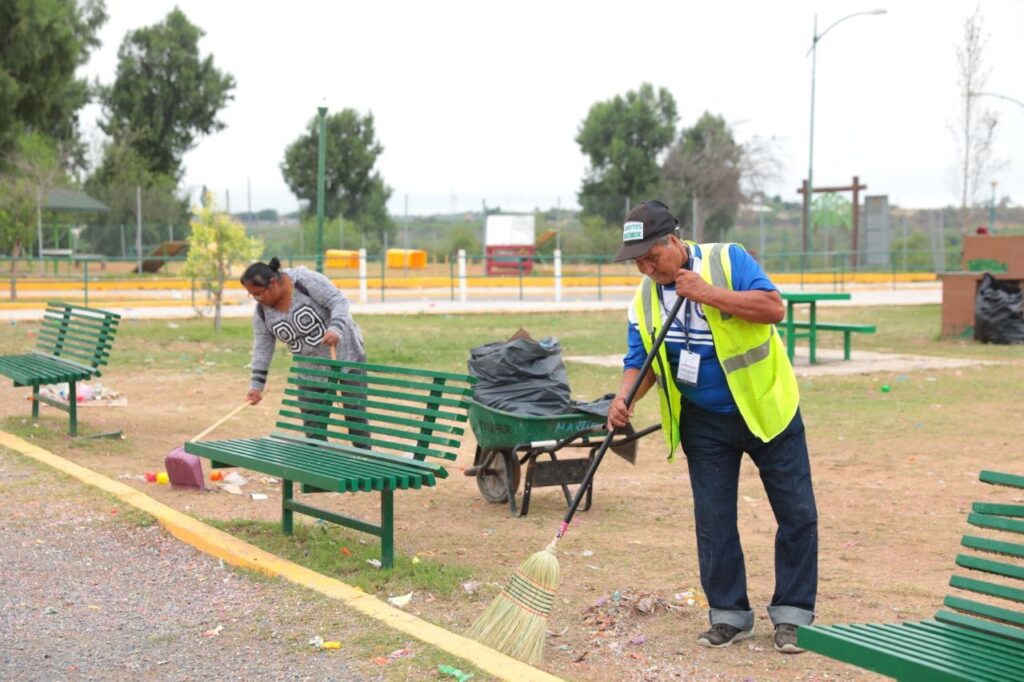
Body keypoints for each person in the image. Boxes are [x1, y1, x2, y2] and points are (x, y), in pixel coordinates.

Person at [606, 200, 817, 654]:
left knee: (796, 514)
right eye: (637, 261)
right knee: (714, 520)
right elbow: (639, 363)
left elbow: (773, 308)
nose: (646, 268)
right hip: (703, 421)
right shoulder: (644, 301)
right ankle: (729, 615)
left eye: (651, 256)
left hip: (766, 410)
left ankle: (794, 615)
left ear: (674, 241)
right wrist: (624, 398)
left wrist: (707, 293)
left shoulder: (727, 260)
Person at [240, 257, 369, 442]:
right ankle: (319, 466)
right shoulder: (262, 312)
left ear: (273, 283)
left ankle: (364, 462)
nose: (256, 299)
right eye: (251, 295)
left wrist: (335, 328)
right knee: (312, 423)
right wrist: (256, 387)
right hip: (309, 368)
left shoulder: (304, 281)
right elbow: (262, 347)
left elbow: (339, 301)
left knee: (354, 415)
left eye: (258, 294)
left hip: (345, 357)